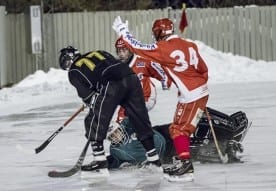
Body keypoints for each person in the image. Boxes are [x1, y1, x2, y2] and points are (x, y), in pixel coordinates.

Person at [113, 16, 209, 182]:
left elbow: (138, 47)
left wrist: (123, 31)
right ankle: (183, 162)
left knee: (179, 130)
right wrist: (199, 88)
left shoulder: (165, 48)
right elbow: (203, 70)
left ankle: (186, 166)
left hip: (192, 94)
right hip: (194, 93)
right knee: (176, 129)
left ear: (158, 32)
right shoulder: (190, 45)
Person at [58, 46, 162, 178]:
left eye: (66, 63)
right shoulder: (98, 51)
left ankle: (100, 163)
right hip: (131, 77)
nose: (67, 66)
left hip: (112, 84)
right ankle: (154, 161)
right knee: (139, 119)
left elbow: (90, 97)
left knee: (92, 121)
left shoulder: (73, 71)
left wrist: (92, 101)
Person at [106, 107, 250, 169]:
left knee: (190, 121)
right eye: (112, 136)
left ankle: (228, 124)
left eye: (116, 132)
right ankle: (223, 147)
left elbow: (135, 114)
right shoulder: (116, 150)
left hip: (160, 133)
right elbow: (111, 162)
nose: (116, 136)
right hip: (165, 152)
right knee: (194, 148)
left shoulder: (127, 125)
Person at [114, 37, 171, 123]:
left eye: (124, 50)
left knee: (127, 113)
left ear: (130, 50)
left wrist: (168, 81)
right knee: (122, 118)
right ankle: (131, 132)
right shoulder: (116, 67)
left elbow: (162, 72)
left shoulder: (142, 62)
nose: (121, 54)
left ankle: (141, 132)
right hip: (131, 99)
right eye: (119, 51)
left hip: (147, 96)